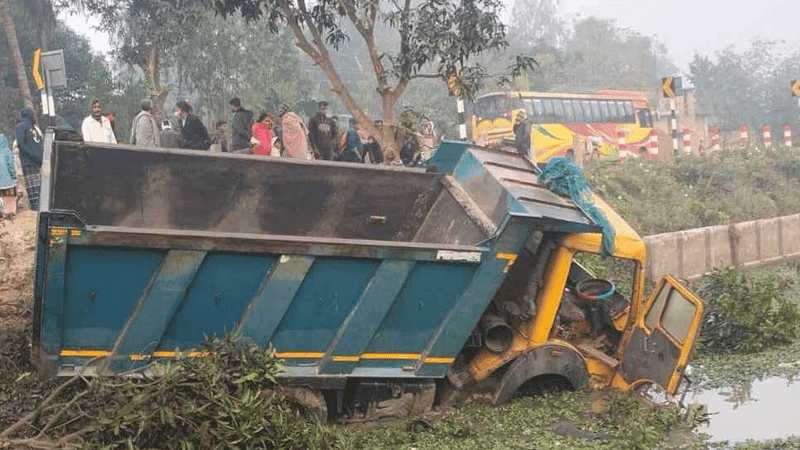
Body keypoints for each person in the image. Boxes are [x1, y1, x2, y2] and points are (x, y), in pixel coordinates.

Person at [15, 107, 43, 210]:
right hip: (32, 162)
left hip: (33, 162)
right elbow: (22, 144)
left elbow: (23, 144)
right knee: (35, 187)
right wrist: (35, 156)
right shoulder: (27, 127)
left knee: (36, 187)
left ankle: (37, 207)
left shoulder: (29, 127)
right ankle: (36, 207)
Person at [0, 134, 17, 217]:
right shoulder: (6, 151)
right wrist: (14, 176)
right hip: (7, 181)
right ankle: (9, 212)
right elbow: (10, 165)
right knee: (9, 196)